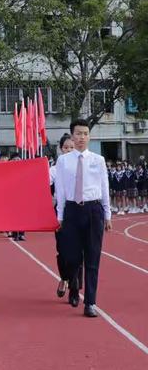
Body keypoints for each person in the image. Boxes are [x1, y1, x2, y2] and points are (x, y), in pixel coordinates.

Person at [55, 119, 112, 318]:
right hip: (72, 210)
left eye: (85, 134)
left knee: (93, 257)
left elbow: (104, 187)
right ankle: (73, 285)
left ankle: (90, 302)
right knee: (71, 256)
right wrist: (60, 216)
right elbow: (61, 190)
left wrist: (107, 214)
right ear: (72, 135)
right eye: (78, 134)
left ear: (89, 136)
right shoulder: (63, 161)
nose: (82, 138)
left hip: (93, 210)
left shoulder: (98, 160)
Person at [50, 134, 83, 299]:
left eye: (72, 147)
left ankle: (75, 286)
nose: (69, 150)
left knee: (80, 249)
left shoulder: (83, 165)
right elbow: (42, 182)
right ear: (61, 149)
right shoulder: (55, 169)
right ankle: (64, 278)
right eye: (66, 148)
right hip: (61, 212)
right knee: (62, 251)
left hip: (80, 210)